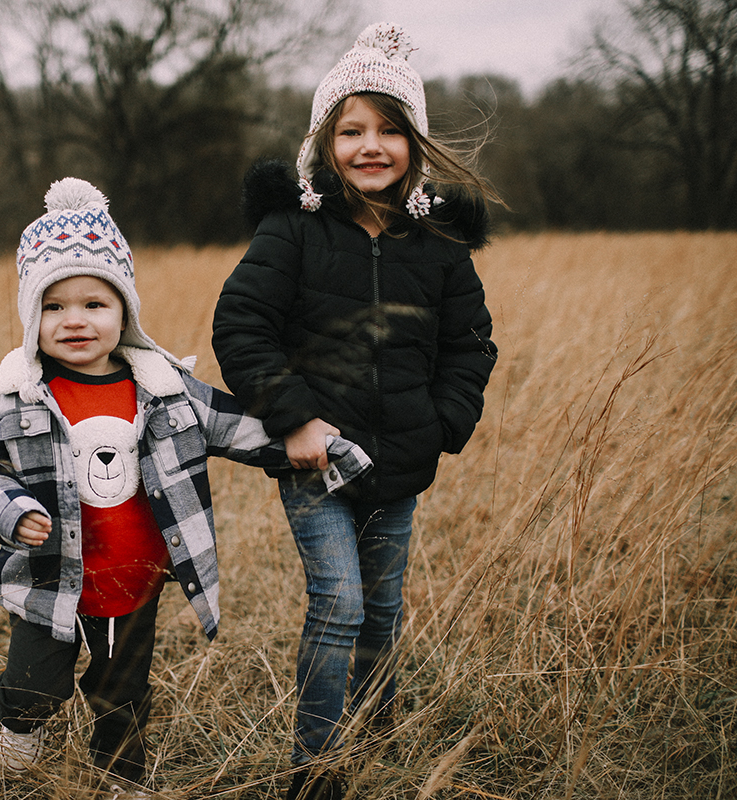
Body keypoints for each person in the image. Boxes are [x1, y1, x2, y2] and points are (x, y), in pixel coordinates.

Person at [0, 177, 371, 797]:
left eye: (95, 304)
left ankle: (117, 778)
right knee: (32, 686)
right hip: (49, 576)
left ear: (124, 309)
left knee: (121, 694)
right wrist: (11, 512)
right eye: (53, 306)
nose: (74, 321)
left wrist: (309, 441)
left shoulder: (164, 387)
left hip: (134, 579)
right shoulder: (14, 396)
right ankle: (22, 734)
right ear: (29, 315)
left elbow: (236, 427)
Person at [211, 23, 501, 800]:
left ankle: (380, 732)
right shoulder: (293, 233)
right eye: (351, 129)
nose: (370, 146)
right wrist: (295, 419)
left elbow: (470, 345)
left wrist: (441, 423)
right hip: (318, 460)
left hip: (403, 460)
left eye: (389, 129)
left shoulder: (439, 245)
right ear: (323, 142)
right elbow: (241, 327)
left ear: (414, 142)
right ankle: (318, 770)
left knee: (381, 613)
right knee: (338, 604)